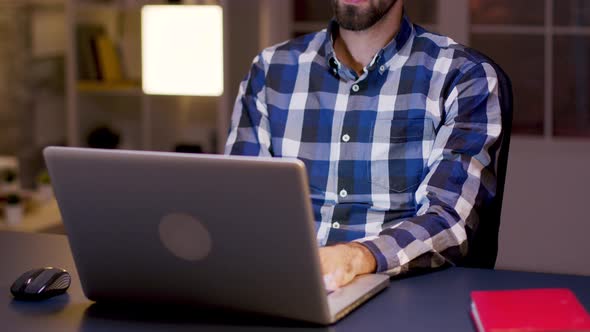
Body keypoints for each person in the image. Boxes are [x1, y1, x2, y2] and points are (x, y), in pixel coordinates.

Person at [225, 0, 503, 290]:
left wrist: (355, 257)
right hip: (284, 287)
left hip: (398, 291)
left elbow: (449, 218)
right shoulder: (269, 71)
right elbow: (239, 208)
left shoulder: (463, 75)